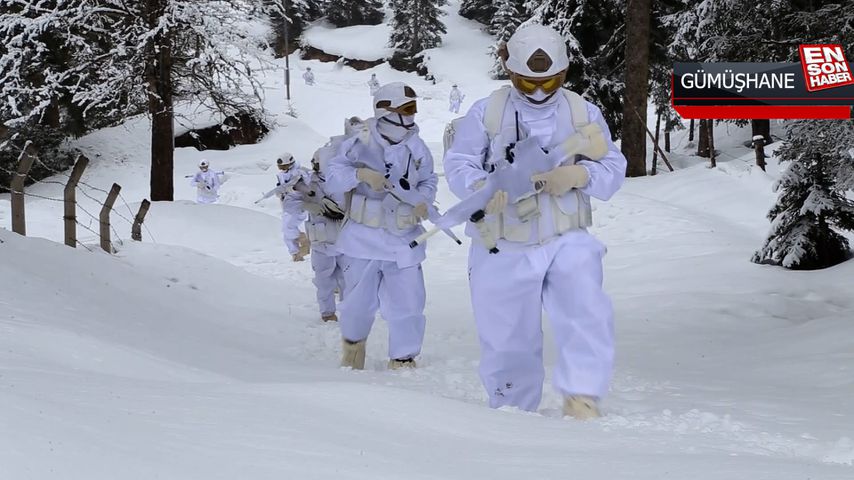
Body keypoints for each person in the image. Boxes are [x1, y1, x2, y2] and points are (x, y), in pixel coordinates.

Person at [443, 24, 626, 419]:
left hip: (566, 236)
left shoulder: (582, 112)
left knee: (585, 314)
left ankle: (583, 398)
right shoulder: (487, 112)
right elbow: (459, 162)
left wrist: (581, 176)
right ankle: (512, 410)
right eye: (528, 83)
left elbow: (612, 165)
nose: (541, 92)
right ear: (510, 73)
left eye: (551, 81)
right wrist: (482, 188)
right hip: (503, 241)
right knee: (508, 336)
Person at [325, 82, 437, 371]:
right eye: (406, 109)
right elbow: (334, 176)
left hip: (404, 238)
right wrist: (360, 174)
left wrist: (423, 200)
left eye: (414, 108)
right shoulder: (359, 139)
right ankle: (353, 350)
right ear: (385, 109)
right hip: (363, 237)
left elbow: (428, 180)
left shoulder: (417, 145)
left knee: (409, 303)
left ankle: (403, 358)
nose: (412, 115)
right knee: (357, 303)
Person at [304, 146, 348, 323]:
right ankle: (327, 313)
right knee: (324, 281)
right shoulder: (307, 183)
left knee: (348, 279)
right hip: (321, 241)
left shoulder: (344, 182)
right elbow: (291, 205)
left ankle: (349, 311)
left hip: (344, 239)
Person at [274, 153, 311, 262]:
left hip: (299, 204)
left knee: (289, 228)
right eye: (280, 167)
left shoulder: (301, 172)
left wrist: (295, 188)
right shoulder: (281, 175)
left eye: (284, 166)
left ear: (290, 163)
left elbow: (309, 187)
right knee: (286, 232)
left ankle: (304, 240)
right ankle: (296, 255)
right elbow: (281, 186)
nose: (282, 169)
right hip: (287, 205)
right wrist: (280, 192)